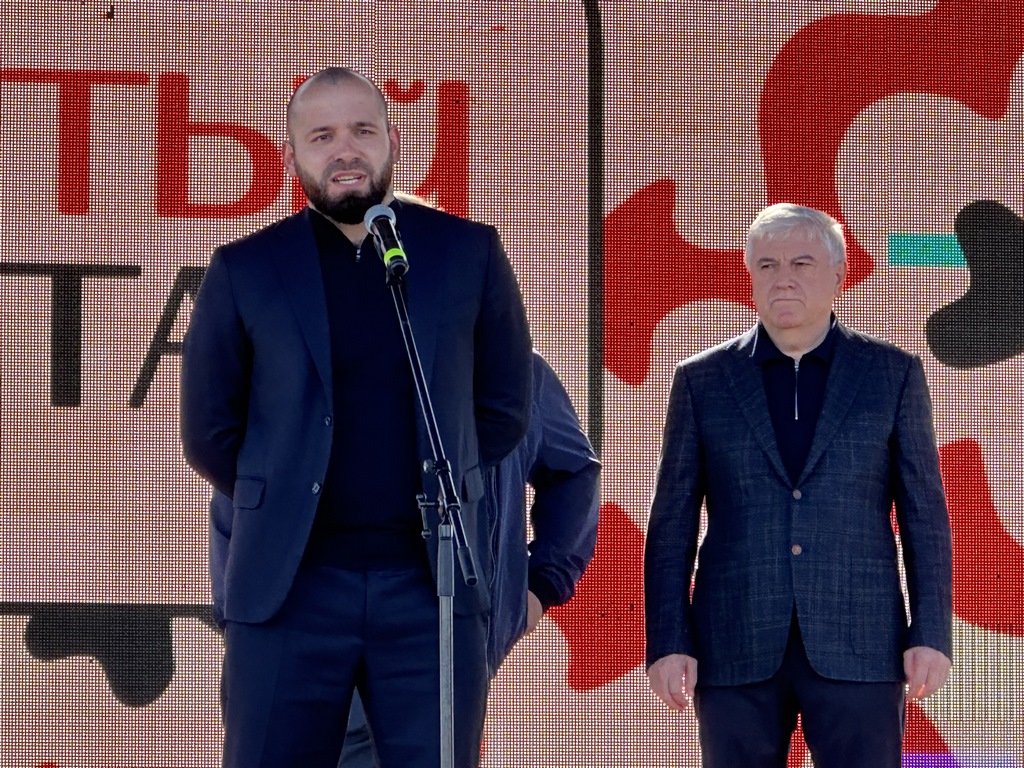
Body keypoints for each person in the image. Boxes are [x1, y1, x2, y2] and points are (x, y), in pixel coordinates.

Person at [181, 66, 533, 768]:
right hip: (289, 588)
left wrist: (442, 479)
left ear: (393, 141)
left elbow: (504, 408)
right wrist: (282, 491)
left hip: (429, 588)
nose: (345, 150)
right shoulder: (246, 268)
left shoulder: (467, 254)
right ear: (291, 157)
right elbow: (209, 430)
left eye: (363, 131)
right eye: (322, 136)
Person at [644, 203, 953, 768]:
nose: (782, 278)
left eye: (801, 263)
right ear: (750, 275)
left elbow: (924, 518)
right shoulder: (701, 381)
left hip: (861, 642)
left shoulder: (892, 375)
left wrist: (930, 632)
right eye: (767, 265)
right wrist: (668, 641)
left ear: (838, 275)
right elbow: (671, 525)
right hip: (733, 641)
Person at [322, 350, 601, 766]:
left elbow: (574, 472)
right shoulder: (322, 351)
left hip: (450, 641)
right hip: (334, 631)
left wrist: (543, 584)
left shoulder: (512, 366)